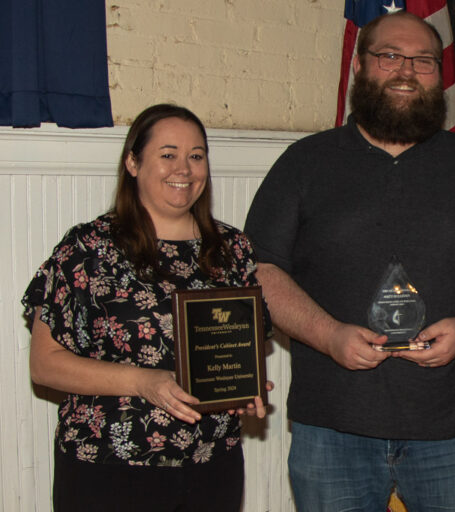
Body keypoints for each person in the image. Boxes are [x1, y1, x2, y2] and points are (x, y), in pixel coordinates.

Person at [244, 11, 455, 512]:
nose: (406, 71)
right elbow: (262, 272)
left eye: (423, 60)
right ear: (359, 66)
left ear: (439, 75)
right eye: (390, 56)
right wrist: (329, 336)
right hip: (332, 428)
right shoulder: (304, 162)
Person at [22, 104, 271, 511]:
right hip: (108, 467)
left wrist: (241, 389)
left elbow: (237, 351)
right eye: (168, 154)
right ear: (133, 163)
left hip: (211, 465)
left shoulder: (233, 249)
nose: (184, 169)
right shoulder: (89, 248)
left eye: (196, 156)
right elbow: (44, 364)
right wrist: (144, 382)